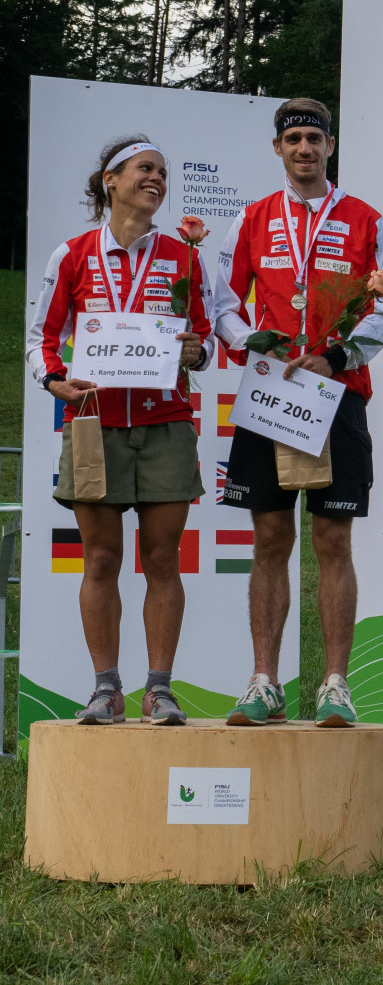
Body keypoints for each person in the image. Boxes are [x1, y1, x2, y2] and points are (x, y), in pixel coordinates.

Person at [212, 98, 383, 727]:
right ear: (278, 148)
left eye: (314, 139)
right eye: (292, 138)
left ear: (330, 146)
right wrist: (250, 342)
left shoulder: (367, 219)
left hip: (335, 392)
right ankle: (265, 681)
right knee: (269, 537)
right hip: (272, 392)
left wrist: (337, 356)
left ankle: (336, 685)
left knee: (333, 538)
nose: (304, 149)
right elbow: (224, 302)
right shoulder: (252, 217)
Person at [25, 136, 212, 724]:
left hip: (165, 424)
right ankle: (106, 690)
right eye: (144, 169)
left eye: (163, 172)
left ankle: (160, 690)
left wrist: (196, 350)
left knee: (162, 559)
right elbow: (41, 337)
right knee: (102, 559)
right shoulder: (73, 254)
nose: (156, 179)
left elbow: (204, 339)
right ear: (110, 179)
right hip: (93, 423)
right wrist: (54, 380)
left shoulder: (185, 257)